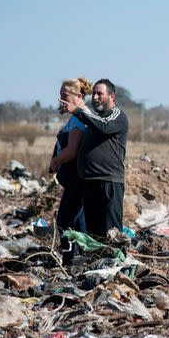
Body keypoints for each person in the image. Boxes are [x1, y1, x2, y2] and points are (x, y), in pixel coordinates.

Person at [59, 79, 128, 237]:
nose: (95, 97)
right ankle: (97, 262)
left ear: (112, 96)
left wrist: (77, 110)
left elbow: (103, 126)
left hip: (108, 182)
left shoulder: (116, 116)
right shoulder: (94, 120)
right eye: (94, 94)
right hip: (91, 183)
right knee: (94, 233)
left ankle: (115, 261)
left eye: (100, 94)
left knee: (111, 232)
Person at [50, 77, 92, 265]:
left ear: (79, 96)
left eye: (65, 96)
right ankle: (83, 256)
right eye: (60, 95)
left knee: (64, 220)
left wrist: (55, 162)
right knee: (79, 221)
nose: (61, 100)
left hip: (77, 178)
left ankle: (70, 258)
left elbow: (72, 151)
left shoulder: (79, 117)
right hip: (77, 178)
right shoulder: (81, 115)